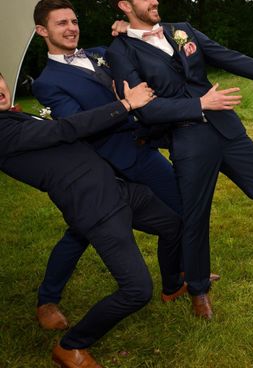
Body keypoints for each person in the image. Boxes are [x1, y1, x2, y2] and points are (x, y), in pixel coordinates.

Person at [106, 0, 253, 320]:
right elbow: (144, 108)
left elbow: (230, 57)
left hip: (227, 130)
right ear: (125, 6)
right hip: (188, 139)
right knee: (195, 217)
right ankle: (198, 288)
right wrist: (199, 105)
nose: (155, 0)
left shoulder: (183, 30)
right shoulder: (121, 51)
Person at [30, 0, 212, 332]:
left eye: (73, 21)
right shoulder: (47, 82)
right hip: (107, 161)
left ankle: (182, 275)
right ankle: (47, 300)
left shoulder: (98, 53)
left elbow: (129, 52)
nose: (71, 28)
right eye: (61, 23)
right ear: (42, 30)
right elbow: (77, 122)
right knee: (81, 233)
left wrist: (126, 29)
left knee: (180, 210)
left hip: (141, 148)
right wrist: (127, 104)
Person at [0, 72, 184, 367]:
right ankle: (70, 347)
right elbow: (65, 129)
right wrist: (125, 104)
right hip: (96, 208)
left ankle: (173, 285)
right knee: (137, 291)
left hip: (118, 189)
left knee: (173, 224)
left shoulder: (12, 118)